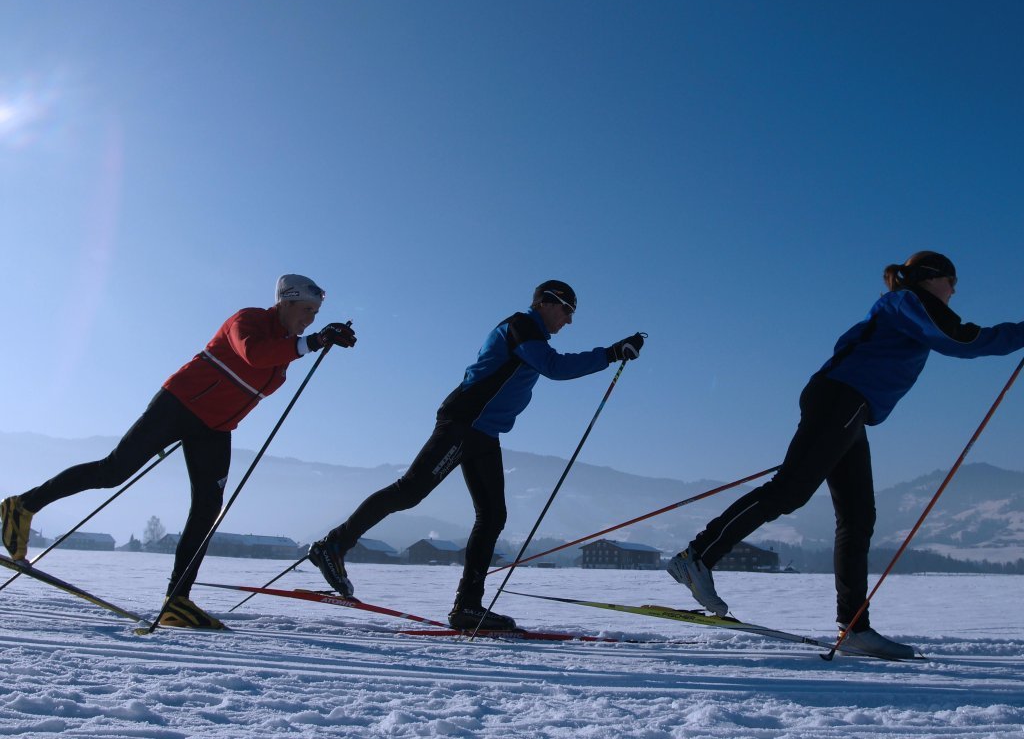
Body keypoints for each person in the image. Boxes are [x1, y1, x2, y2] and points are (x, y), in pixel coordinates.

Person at [667, 251, 1024, 658]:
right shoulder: (908, 301)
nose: (955, 290)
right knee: (790, 491)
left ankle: (854, 626)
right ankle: (695, 557)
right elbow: (962, 339)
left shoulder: (902, 307)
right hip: (842, 399)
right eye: (951, 281)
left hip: (851, 408)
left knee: (857, 518)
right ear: (930, 278)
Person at [1, 274, 356, 629]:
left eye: (316, 313)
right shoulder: (246, 320)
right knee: (112, 472)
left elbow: (268, 363)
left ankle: (177, 601)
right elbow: (252, 354)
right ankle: (22, 506)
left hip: (215, 429)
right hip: (179, 405)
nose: (310, 318)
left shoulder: (287, 347)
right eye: (306, 309)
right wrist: (313, 342)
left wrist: (313, 342)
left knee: (208, 509)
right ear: (285, 302)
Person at [308, 280, 644, 630]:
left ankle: (467, 607)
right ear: (547, 302)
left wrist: (611, 353)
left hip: (483, 433)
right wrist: (611, 353)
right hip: (464, 423)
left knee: (493, 515)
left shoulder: (531, 333)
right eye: (567, 311)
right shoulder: (522, 325)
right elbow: (555, 368)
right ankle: (332, 546)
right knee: (410, 492)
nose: (569, 321)